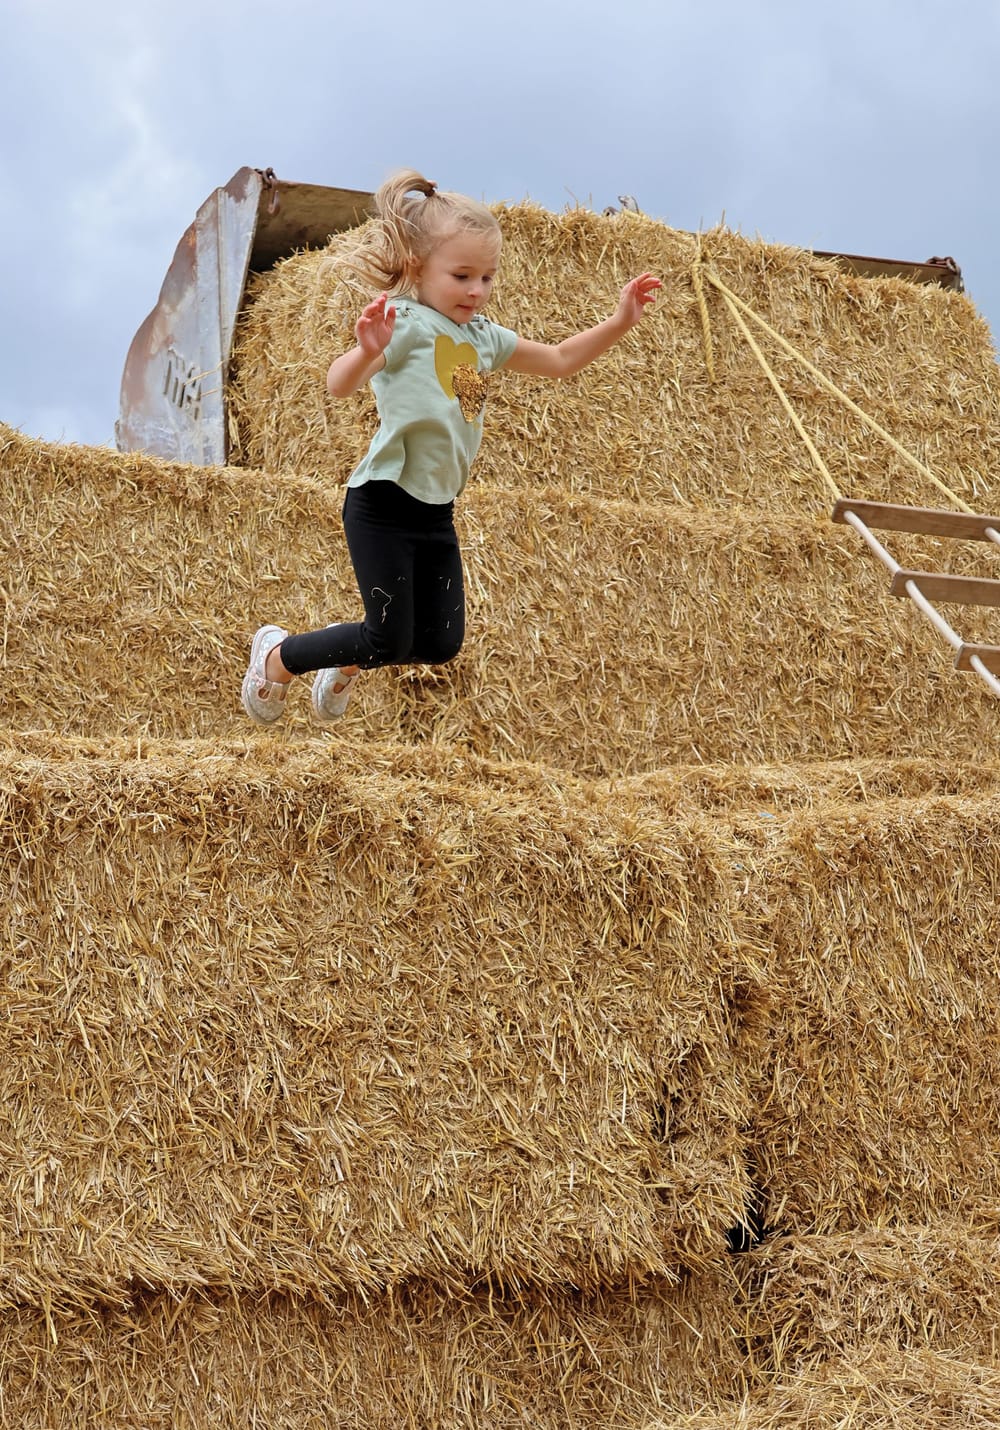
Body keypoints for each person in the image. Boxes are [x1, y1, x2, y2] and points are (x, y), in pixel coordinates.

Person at [241, 168, 660, 726]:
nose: (476, 290)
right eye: (462, 275)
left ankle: (346, 661)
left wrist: (619, 321)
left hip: (436, 511)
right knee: (388, 638)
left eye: (487, 278)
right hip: (384, 502)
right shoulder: (405, 324)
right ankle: (277, 657)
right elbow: (337, 384)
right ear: (417, 266)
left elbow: (560, 361)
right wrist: (368, 351)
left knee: (439, 644)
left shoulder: (482, 337)